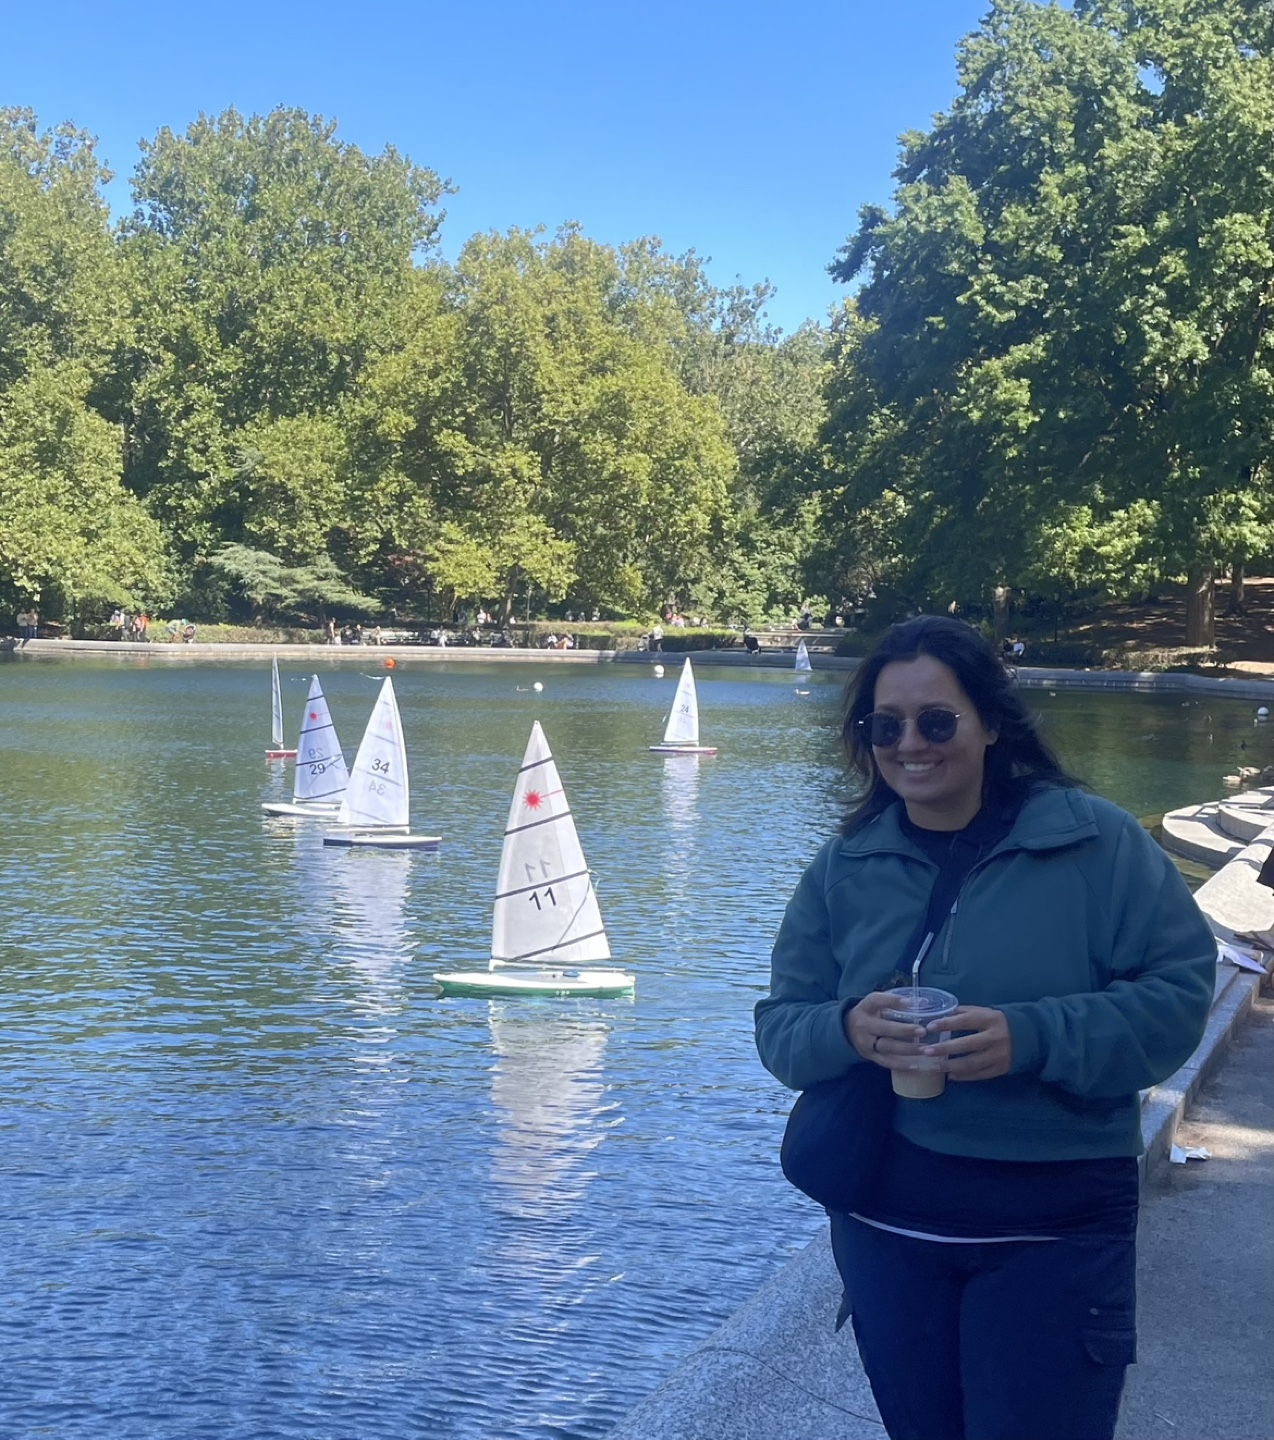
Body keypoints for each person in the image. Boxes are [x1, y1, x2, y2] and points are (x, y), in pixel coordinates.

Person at [755, 615, 1214, 1440]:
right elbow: (781, 1028)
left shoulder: (1097, 844)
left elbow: (1179, 999)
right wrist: (849, 1030)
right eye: (884, 726)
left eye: (936, 721)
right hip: (889, 1228)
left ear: (992, 723)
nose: (910, 745)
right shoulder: (847, 863)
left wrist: (1032, 1036)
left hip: (1054, 1226)